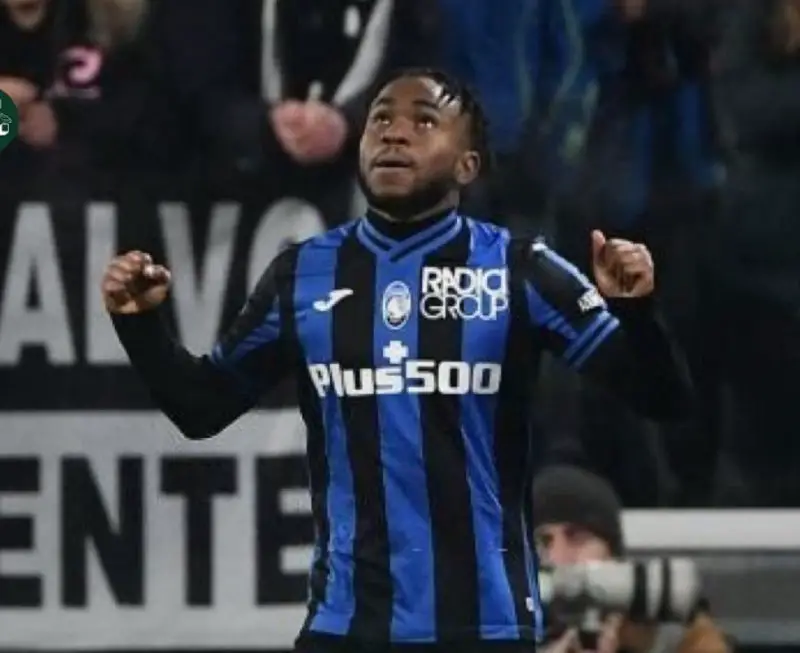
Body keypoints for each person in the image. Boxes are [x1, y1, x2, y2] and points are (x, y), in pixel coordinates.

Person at [101, 68, 692, 653]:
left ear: (467, 165)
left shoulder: (521, 270)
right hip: (345, 628)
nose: (394, 132)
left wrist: (637, 313)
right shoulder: (302, 274)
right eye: (379, 118)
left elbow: (663, 399)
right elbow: (200, 408)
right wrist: (139, 325)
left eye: (424, 121)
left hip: (483, 628)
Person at [532, 464, 731, 653]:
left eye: (577, 538)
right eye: (543, 542)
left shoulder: (666, 636)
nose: (558, 558)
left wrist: (653, 643)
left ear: (613, 552)